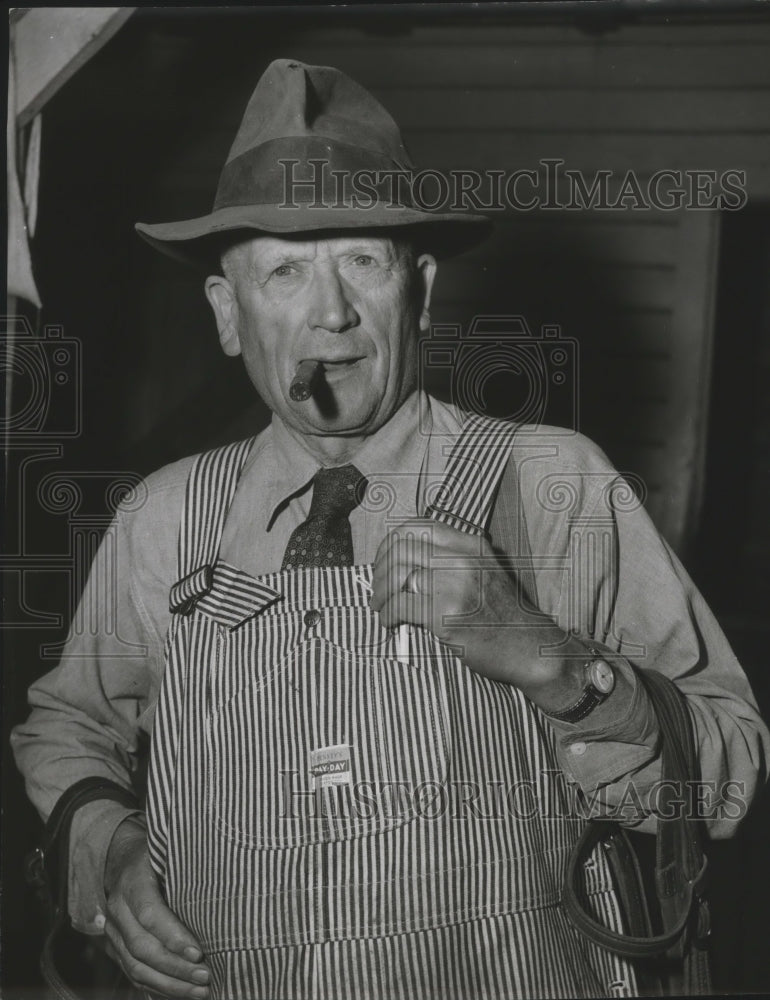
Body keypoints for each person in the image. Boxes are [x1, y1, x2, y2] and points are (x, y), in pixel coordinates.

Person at [12, 59, 769, 1000]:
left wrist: (558, 664)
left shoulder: (552, 482)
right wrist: (111, 846)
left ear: (421, 288)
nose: (330, 313)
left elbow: (729, 778)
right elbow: (68, 726)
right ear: (227, 316)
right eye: (285, 270)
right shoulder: (163, 519)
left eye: (361, 262)